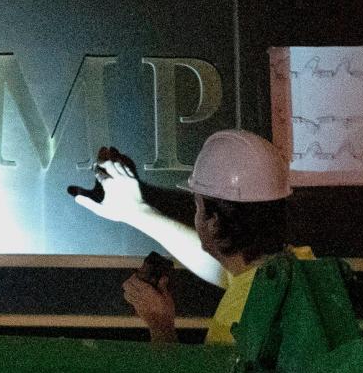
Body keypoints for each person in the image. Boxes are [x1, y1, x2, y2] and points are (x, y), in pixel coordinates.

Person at [74, 129, 307, 345]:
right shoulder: (298, 266)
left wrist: (160, 326)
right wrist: (136, 212)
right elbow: (228, 271)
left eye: (197, 206)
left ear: (213, 222)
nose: (195, 214)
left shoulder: (238, 324)